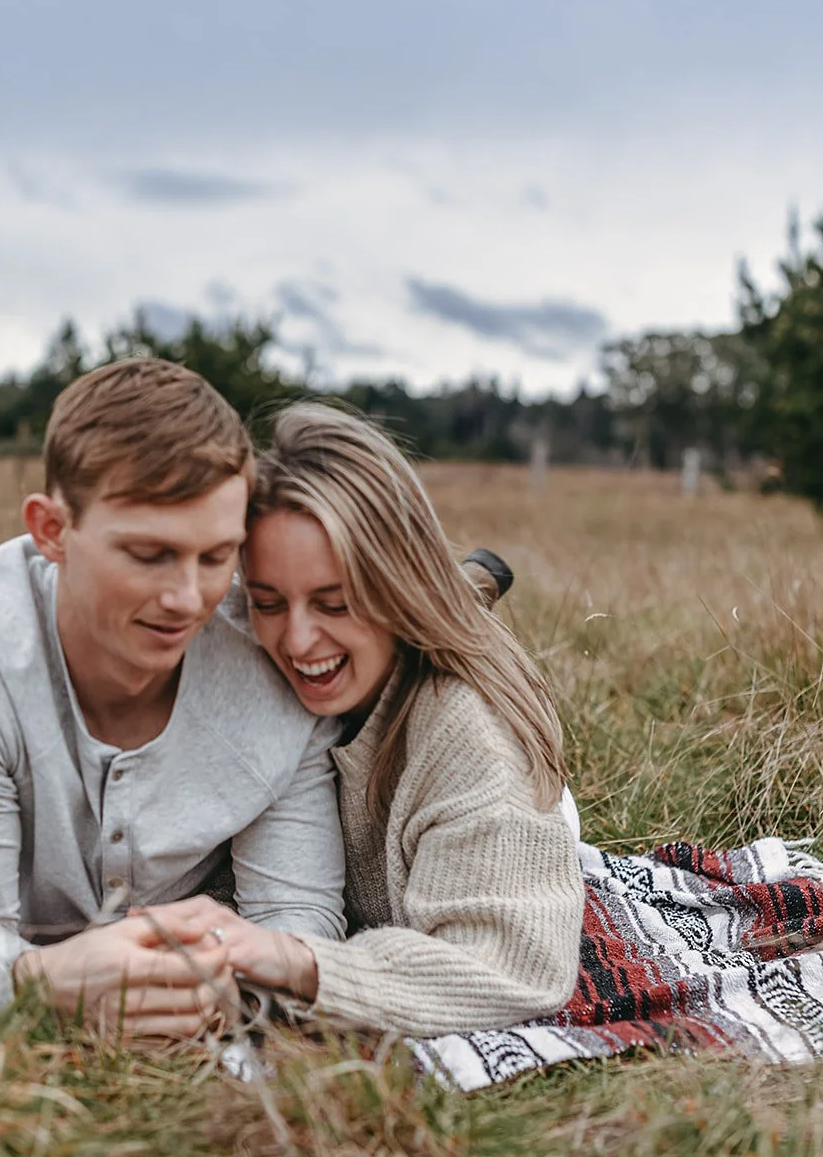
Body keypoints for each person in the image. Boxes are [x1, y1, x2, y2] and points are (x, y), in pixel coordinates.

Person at [0, 361, 348, 1037]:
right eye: (149, 554)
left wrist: (233, 986)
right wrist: (40, 983)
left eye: (217, 558)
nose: (188, 599)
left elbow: (299, 923)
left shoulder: (278, 659)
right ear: (51, 530)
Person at [138, 402, 586, 1038]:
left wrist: (296, 962)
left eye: (334, 601)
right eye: (268, 601)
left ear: (399, 585)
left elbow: (511, 967)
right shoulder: (239, 652)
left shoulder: (470, 739)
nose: (295, 640)